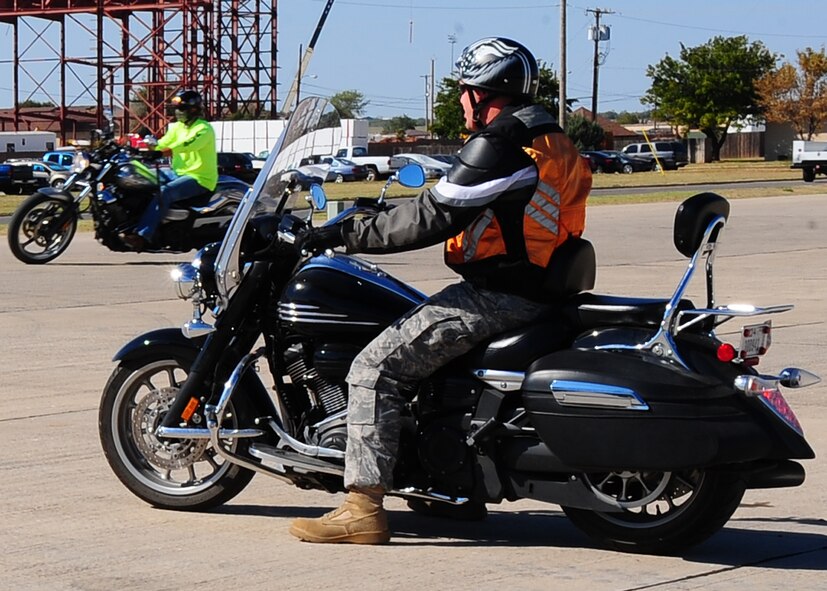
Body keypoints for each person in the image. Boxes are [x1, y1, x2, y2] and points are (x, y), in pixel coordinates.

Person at [289, 37, 592, 544]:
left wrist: (343, 234)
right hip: (542, 288)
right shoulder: (550, 137)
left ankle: (362, 507)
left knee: (373, 368)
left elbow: (435, 215)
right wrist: (375, 211)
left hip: (500, 295)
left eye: (463, 90)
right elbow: (462, 199)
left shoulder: (501, 142)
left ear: (483, 91)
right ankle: (448, 489)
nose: (459, 100)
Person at [121, 90, 218, 250]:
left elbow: (185, 145)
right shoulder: (177, 127)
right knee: (141, 179)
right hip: (177, 172)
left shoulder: (203, 129)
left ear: (194, 109)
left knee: (165, 192)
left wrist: (160, 152)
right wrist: (142, 146)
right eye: (177, 108)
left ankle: (143, 235)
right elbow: (163, 143)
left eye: (182, 108)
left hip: (199, 177)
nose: (178, 112)